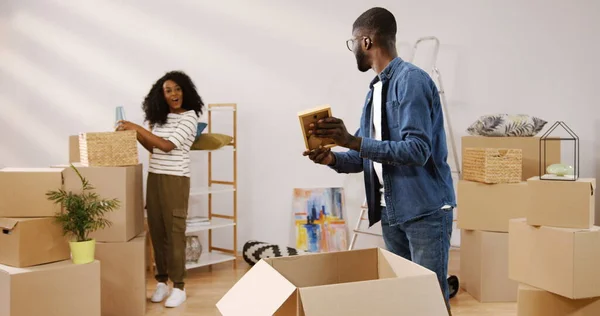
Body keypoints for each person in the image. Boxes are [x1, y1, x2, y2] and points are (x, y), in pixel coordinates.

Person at [303, 7, 456, 310]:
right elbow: (365, 155)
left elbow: (417, 150)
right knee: (404, 302)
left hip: (424, 212)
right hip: (392, 213)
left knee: (430, 304)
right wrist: (331, 159)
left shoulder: (411, 81)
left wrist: (352, 140)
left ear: (367, 42)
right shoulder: (375, 90)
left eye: (353, 43)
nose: (354, 50)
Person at [117, 70, 203, 308]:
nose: (173, 94)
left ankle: (180, 287)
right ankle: (162, 282)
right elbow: (153, 148)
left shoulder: (189, 117)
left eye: (177, 89)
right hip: (154, 177)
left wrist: (137, 127)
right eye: (168, 90)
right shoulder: (161, 118)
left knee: (175, 234)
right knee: (157, 232)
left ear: (185, 91)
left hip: (175, 180)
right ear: (162, 95)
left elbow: (166, 146)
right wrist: (134, 133)